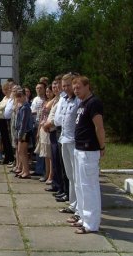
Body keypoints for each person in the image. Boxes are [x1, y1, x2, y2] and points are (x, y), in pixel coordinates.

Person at [71, 76, 106, 234]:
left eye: (78, 88)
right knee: (79, 185)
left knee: (89, 187)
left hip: (89, 150)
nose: (76, 91)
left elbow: (99, 127)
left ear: (87, 86)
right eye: (74, 89)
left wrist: (102, 146)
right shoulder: (82, 104)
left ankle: (91, 224)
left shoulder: (94, 103)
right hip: (79, 149)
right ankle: (84, 218)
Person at [57, 73, 81, 207]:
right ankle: (73, 204)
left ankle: (79, 207)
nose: (65, 88)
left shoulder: (78, 100)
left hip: (74, 141)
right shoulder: (65, 100)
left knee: (76, 176)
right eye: (63, 85)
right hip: (64, 139)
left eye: (68, 85)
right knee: (70, 175)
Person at [14, 89, 33, 179]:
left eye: (20, 96)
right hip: (21, 131)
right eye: (17, 97)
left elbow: (23, 122)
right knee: (20, 152)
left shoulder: (25, 107)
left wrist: (20, 134)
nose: (18, 98)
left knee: (22, 152)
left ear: (24, 97)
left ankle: (26, 171)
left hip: (24, 132)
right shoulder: (21, 107)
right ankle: (24, 170)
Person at [0, 81, 15, 164]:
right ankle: (7, 157)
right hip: (1, 120)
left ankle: (11, 157)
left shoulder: (11, 98)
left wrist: (0, 107)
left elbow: (3, 108)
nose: (6, 91)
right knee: (4, 140)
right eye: (4, 89)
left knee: (9, 140)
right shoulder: (4, 98)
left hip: (7, 120)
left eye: (7, 89)